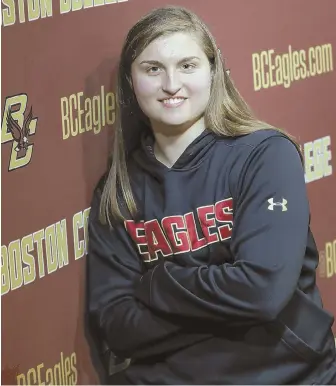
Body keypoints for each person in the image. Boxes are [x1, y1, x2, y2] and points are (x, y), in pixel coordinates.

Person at [86, 5, 336, 385]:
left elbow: (264, 291)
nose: (171, 84)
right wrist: (232, 302)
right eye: (153, 69)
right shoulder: (118, 190)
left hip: (288, 374)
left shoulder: (264, 154)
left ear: (214, 71)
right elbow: (116, 325)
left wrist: (158, 285)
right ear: (131, 81)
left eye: (187, 65)